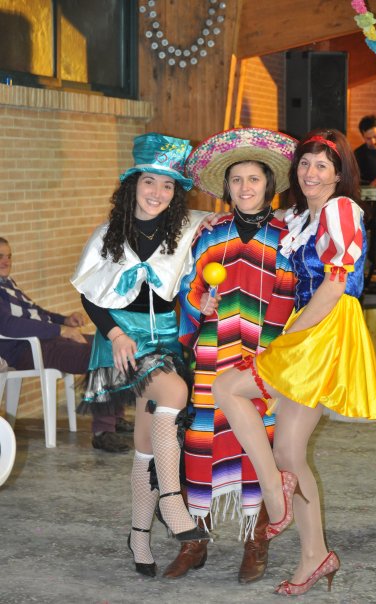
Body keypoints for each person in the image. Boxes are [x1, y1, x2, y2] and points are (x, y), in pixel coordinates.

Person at [212, 129, 376, 596]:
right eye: (305, 164)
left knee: (228, 387)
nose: (311, 172)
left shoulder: (341, 210)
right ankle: (317, 556)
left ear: (339, 174)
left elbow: (334, 285)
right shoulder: (302, 217)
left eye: (322, 166)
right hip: (309, 325)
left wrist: (289, 337)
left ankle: (273, 490)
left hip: (324, 327)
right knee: (290, 452)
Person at [71, 132, 211, 578]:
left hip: (168, 340)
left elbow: (236, 225)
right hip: (124, 343)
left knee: (147, 441)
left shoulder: (184, 230)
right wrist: (113, 334)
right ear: (132, 185)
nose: (158, 193)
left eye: (168, 186)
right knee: (173, 393)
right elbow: (90, 296)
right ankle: (172, 504)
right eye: (150, 182)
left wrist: (200, 303)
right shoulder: (108, 236)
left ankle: (138, 534)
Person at [162, 128, 297, 583]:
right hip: (212, 354)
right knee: (201, 441)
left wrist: (271, 346)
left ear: (267, 184)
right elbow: (190, 287)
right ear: (227, 187)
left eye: (253, 179)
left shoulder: (287, 235)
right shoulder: (210, 232)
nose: (244, 187)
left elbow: (291, 292)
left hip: (263, 357)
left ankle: (256, 539)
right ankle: (195, 539)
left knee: (259, 442)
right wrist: (197, 303)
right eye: (236, 180)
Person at [0, 237, 133, 453]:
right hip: (26, 350)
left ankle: (115, 418)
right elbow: (8, 326)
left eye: (8, 256)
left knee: (111, 345)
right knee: (102, 357)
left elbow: (37, 313)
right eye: (0, 257)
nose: (6, 261)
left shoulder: (8, 283)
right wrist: (60, 330)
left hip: (49, 342)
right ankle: (103, 432)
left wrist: (64, 320)